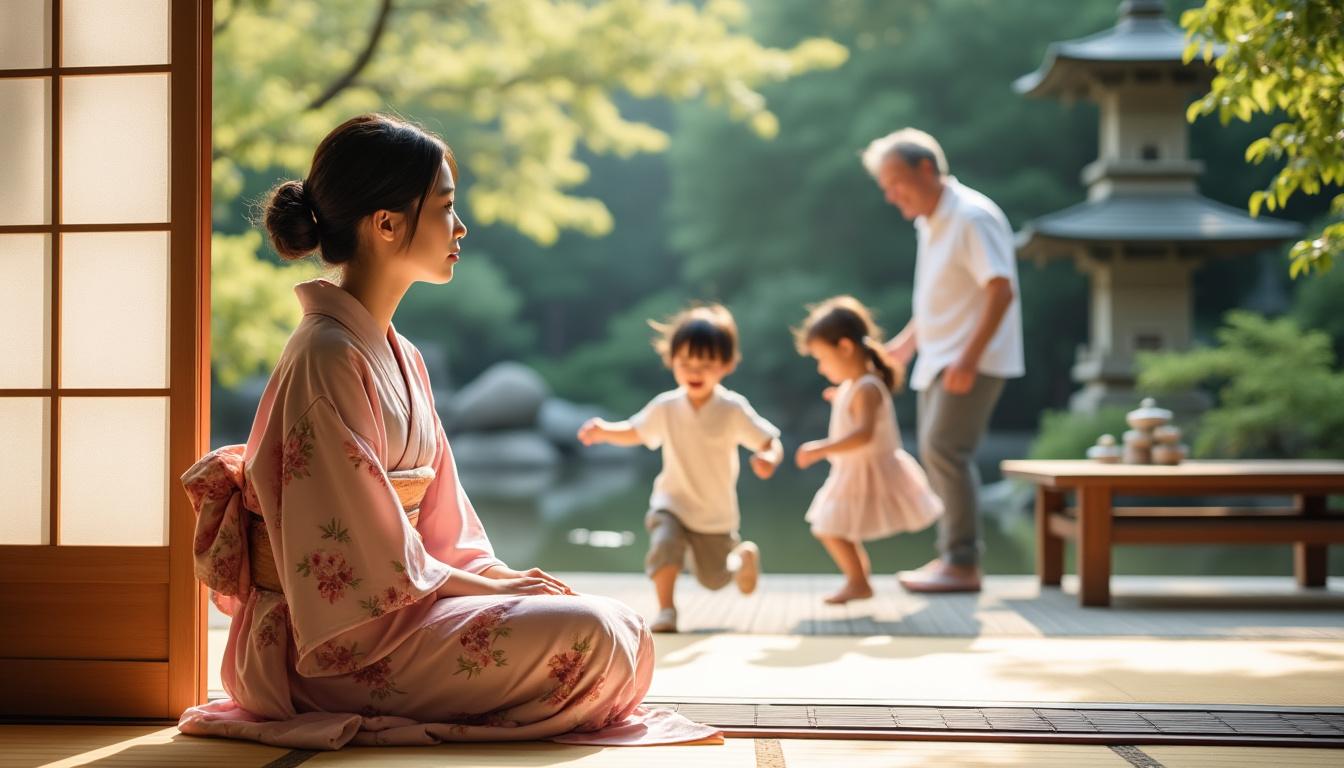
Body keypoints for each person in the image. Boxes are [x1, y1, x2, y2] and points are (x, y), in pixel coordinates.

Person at [178, 113, 716, 748]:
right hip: (334, 646)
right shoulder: (326, 355)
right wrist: (492, 587)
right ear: (385, 224)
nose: (460, 228)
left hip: (401, 610)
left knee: (621, 627)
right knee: (592, 638)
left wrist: (493, 580)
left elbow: (443, 526)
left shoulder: (400, 354)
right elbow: (357, 561)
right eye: (445, 208)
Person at [861, 128, 1024, 593]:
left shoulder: (972, 217)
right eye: (886, 188)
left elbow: (1000, 289)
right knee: (937, 452)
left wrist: (969, 359)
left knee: (945, 451)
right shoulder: (929, 221)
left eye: (896, 183)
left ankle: (962, 562)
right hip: (942, 356)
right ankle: (952, 557)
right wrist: (905, 346)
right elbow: (938, 298)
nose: (891, 196)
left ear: (927, 169)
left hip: (970, 358)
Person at [578, 304, 784, 633]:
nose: (695, 371)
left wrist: (768, 458)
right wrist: (605, 430)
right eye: (686, 362)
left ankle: (740, 560)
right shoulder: (667, 406)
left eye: (706, 363)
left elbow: (769, 440)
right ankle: (667, 610)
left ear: (727, 364)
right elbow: (636, 430)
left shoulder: (732, 409)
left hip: (714, 514)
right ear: (672, 361)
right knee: (664, 544)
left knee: (714, 580)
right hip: (671, 502)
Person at [794, 296, 944, 604]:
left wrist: (821, 449)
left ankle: (858, 581)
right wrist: (841, 399)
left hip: (866, 469)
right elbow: (856, 416)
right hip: (852, 470)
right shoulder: (855, 386)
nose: (821, 368)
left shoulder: (867, 387)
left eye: (823, 359)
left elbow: (863, 434)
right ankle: (858, 581)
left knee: (829, 527)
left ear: (846, 348)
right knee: (832, 526)